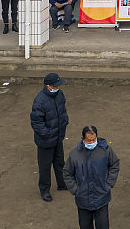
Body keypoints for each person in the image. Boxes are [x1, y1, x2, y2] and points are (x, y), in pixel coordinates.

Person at [62, 125, 120, 229]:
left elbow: (114, 164)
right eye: (89, 141)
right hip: (83, 199)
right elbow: (67, 173)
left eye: (94, 140)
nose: (92, 143)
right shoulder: (74, 155)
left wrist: (109, 184)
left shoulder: (105, 150)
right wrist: (75, 190)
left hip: (101, 197)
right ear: (82, 139)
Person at [31, 72, 70, 202]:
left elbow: (63, 111)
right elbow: (37, 123)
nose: (58, 87)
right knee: (45, 167)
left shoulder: (60, 95)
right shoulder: (39, 101)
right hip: (46, 141)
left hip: (58, 137)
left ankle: (62, 184)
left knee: (59, 162)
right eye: (55, 85)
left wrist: (64, 124)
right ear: (48, 86)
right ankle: (45, 190)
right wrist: (47, 134)